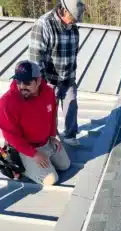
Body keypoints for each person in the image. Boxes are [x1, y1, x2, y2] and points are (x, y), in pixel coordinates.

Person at [0, 60, 71, 185]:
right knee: (51, 180)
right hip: (26, 148)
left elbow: (52, 115)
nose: (22, 86)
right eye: (18, 81)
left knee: (65, 165)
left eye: (27, 83)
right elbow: (10, 135)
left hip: (45, 142)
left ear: (38, 81)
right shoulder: (7, 102)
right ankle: (17, 166)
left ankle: (41, 162)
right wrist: (34, 154)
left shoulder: (48, 92)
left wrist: (52, 136)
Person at [28, 0, 85, 146]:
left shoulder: (73, 28)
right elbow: (35, 58)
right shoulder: (44, 25)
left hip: (68, 77)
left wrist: (71, 76)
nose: (74, 23)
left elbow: (73, 53)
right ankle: (51, 139)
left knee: (71, 106)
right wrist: (42, 85)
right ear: (63, 10)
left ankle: (70, 135)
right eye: (73, 18)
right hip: (50, 80)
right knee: (49, 112)